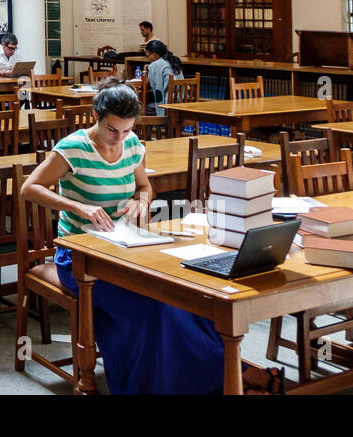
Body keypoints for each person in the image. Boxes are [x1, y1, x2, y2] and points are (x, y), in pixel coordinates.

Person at [20, 81, 224, 394]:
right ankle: (151, 385)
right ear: (95, 116)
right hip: (78, 257)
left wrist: (140, 202)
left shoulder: (133, 146)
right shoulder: (72, 148)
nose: (119, 139)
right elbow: (29, 188)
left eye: (127, 130)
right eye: (112, 130)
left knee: (186, 296)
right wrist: (79, 207)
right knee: (150, 307)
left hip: (122, 250)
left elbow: (145, 187)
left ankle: (198, 380)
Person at [142, 39, 183, 114]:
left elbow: (147, 85)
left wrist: (145, 71)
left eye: (148, 55)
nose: (148, 58)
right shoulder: (174, 61)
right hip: (181, 102)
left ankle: (158, 125)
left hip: (167, 105)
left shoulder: (155, 65)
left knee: (144, 107)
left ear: (155, 54)